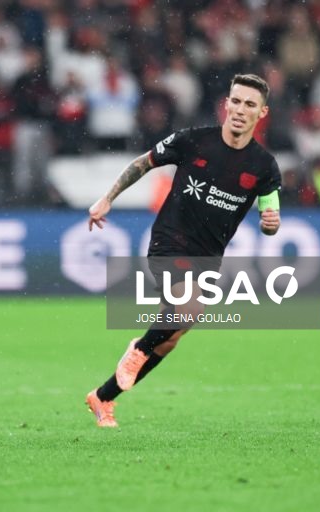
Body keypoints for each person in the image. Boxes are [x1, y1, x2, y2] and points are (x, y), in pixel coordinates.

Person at [84, 74, 281, 428]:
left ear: (261, 112)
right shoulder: (194, 141)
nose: (239, 109)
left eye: (249, 104)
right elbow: (141, 164)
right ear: (227, 103)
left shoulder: (264, 167)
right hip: (168, 242)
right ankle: (138, 350)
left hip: (208, 258)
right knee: (189, 307)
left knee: (171, 337)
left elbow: (271, 215)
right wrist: (106, 198)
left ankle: (103, 397)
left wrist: (271, 224)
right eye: (235, 101)